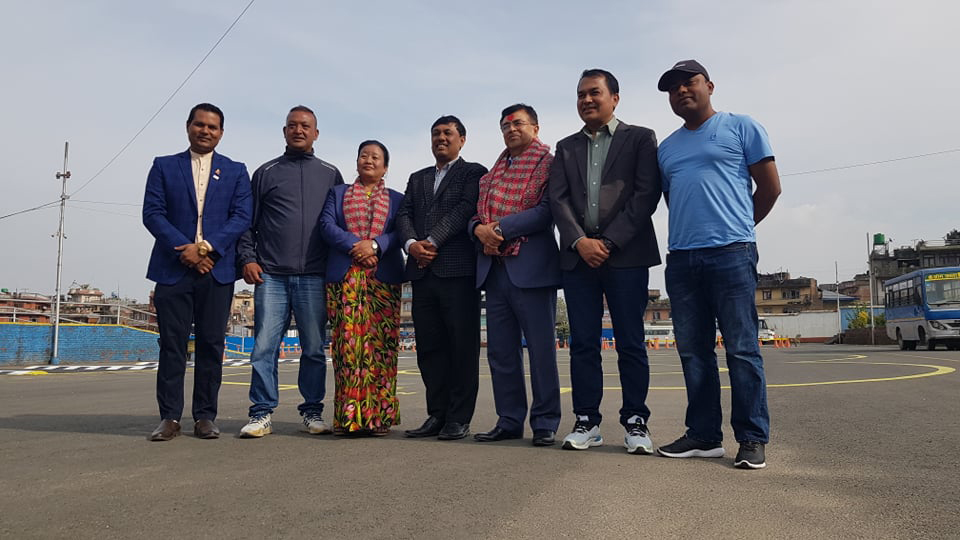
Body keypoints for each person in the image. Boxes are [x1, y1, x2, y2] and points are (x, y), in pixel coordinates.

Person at [654, 60, 781, 469]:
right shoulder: (666, 149)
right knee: (694, 352)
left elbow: (770, 187)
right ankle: (704, 436)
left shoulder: (741, 127)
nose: (681, 91)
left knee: (742, 349)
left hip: (732, 253)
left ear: (709, 85)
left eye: (689, 82)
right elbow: (674, 199)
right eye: (673, 88)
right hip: (682, 258)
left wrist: (739, 227)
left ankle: (752, 437)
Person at [549, 69, 662, 453]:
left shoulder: (640, 138)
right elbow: (558, 200)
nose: (586, 100)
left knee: (630, 342)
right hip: (578, 259)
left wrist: (609, 242)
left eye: (594, 93)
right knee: (583, 343)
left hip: (627, 256)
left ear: (615, 97)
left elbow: (646, 195)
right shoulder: (566, 147)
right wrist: (580, 241)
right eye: (580, 94)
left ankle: (636, 423)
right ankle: (586, 421)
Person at [142, 103, 252, 441]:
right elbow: (153, 214)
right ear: (188, 126)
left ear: (221, 133)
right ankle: (170, 418)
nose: (205, 131)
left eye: (212, 127)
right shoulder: (164, 166)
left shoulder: (235, 171)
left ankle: (205, 416)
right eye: (200, 124)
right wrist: (186, 251)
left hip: (216, 271)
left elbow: (242, 216)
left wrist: (205, 249)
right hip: (172, 269)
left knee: (211, 345)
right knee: (171, 346)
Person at [236, 106, 343, 438]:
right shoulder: (266, 172)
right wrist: (248, 258)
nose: (299, 130)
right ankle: (261, 413)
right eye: (293, 125)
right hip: (271, 276)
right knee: (264, 347)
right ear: (284, 131)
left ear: (316, 133)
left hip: (314, 276)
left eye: (305, 126)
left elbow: (339, 223)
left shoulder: (330, 174)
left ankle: (312, 411)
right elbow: (246, 223)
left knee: (313, 348)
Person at [469, 104, 561, 447]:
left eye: (518, 123)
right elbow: (476, 215)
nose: (511, 129)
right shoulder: (491, 174)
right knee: (501, 352)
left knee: (541, 351)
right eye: (505, 126)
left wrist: (500, 229)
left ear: (535, 128)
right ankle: (509, 420)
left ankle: (545, 422)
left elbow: (547, 211)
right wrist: (478, 229)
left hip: (531, 269)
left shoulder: (549, 164)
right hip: (495, 270)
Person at [396, 116, 487, 440]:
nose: (441, 138)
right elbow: (403, 213)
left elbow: (465, 209)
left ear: (462, 139)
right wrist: (411, 245)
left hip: (457, 272)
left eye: (448, 133)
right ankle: (437, 413)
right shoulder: (417, 177)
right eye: (435, 133)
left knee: (462, 347)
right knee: (430, 348)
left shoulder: (473, 172)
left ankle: (458, 418)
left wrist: (432, 241)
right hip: (422, 273)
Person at [319, 140, 404, 436]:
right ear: (356, 162)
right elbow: (327, 226)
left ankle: (379, 419)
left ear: (385, 167)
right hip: (346, 278)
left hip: (383, 279)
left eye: (375, 157)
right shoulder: (337, 193)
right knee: (348, 349)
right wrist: (358, 246)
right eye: (364, 155)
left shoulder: (397, 199)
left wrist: (376, 245)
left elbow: (401, 231)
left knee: (382, 350)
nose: (368, 160)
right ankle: (349, 419)